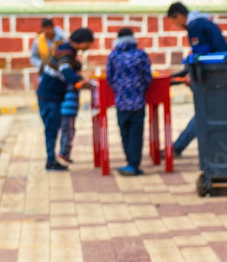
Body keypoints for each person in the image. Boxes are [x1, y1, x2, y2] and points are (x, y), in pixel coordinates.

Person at [166, 1, 227, 156]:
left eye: (174, 21)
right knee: (207, 113)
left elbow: (201, 57)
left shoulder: (195, 26)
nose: (175, 24)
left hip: (214, 77)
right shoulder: (203, 22)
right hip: (221, 71)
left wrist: (192, 76)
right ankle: (178, 147)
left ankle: (177, 148)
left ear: (180, 16)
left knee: (203, 113)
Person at [37, 27, 94, 171]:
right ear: (82, 42)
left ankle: (52, 159)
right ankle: (50, 161)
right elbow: (65, 69)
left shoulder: (67, 50)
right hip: (49, 96)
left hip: (52, 95)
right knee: (51, 129)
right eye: (88, 43)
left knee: (53, 128)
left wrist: (79, 79)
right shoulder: (66, 52)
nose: (88, 47)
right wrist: (77, 81)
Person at [106, 27, 153, 176]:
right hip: (138, 101)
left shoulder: (113, 56)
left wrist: (119, 90)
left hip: (121, 102)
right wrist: (140, 89)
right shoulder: (141, 55)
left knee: (124, 132)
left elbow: (109, 77)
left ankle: (130, 162)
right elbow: (148, 77)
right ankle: (134, 164)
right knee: (136, 133)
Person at [57, 57, 83, 164]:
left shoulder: (63, 78)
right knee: (69, 132)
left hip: (63, 109)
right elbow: (80, 84)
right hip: (69, 111)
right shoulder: (75, 79)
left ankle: (63, 151)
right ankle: (64, 152)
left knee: (65, 131)